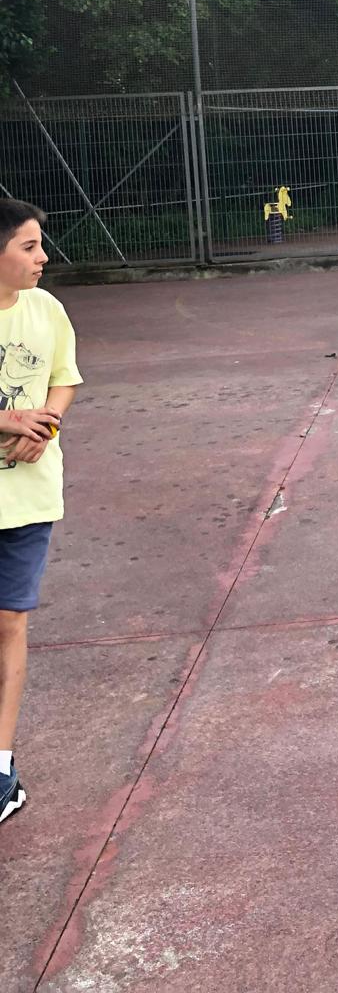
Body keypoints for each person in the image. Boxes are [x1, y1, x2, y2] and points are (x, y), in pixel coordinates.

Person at [0, 198, 84, 826]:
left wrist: (45, 425)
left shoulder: (47, 309)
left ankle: (0, 765)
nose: (43, 257)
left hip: (28, 497)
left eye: (40, 245)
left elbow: (64, 378)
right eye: (28, 247)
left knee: (10, 624)